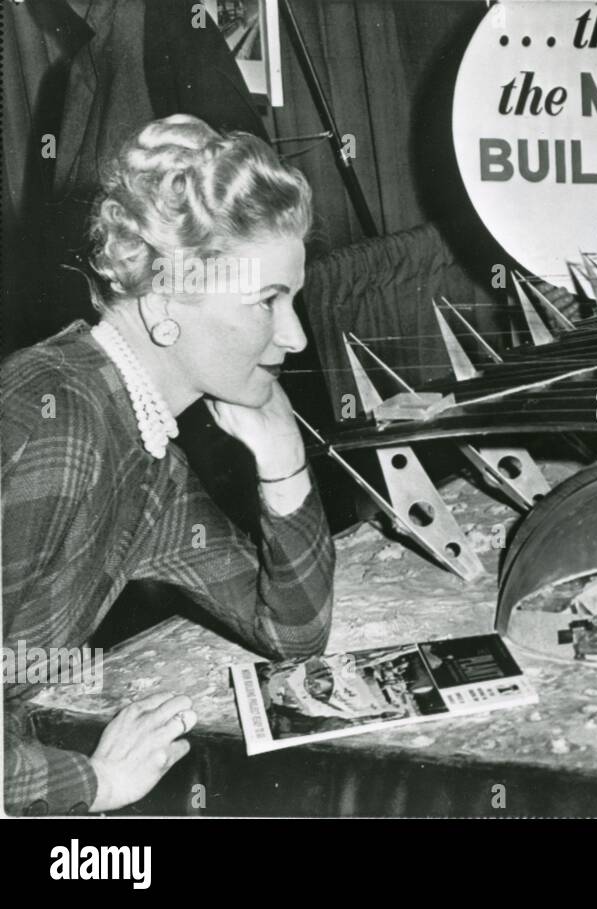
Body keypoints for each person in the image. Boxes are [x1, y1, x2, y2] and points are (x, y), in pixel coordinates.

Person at [2, 114, 336, 815]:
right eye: (266, 301)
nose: (296, 334)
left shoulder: (143, 448)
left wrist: (284, 461)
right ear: (163, 303)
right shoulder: (56, 424)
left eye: (294, 300)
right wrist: (90, 783)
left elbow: (292, 635)